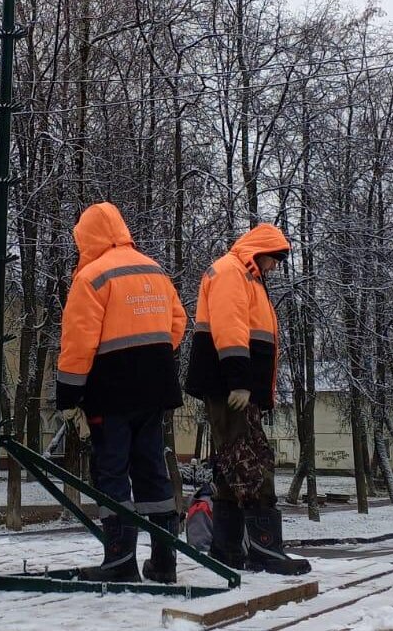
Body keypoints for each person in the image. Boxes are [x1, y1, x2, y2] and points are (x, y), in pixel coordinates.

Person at [56, 202, 187, 583]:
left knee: (111, 470)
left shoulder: (91, 277)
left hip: (110, 390)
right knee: (152, 470)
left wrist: (68, 396)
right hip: (155, 386)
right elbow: (177, 323)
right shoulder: (154, 269)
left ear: (87, 236)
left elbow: (78, 342)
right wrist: (153, 355)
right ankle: (164, 563)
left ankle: (119, 562)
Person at [185, 223, 310, 576]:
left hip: (233, 389)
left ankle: (228, 552)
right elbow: (231, 328)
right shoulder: (231, 272)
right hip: (230, 388)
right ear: (259, 251)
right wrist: (240, 382)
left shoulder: (246, 276)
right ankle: (264, 550)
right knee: (252, 462)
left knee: (232, 464)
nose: (274, 268)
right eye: (274, 259)